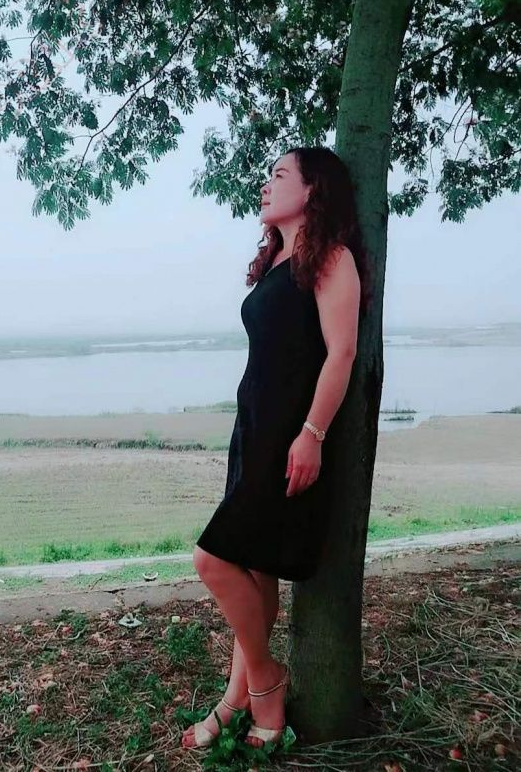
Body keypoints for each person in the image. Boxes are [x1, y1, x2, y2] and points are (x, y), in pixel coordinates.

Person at [181, 146, 370, 751]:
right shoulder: (276, 262)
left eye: (280, 175)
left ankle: (265, 682)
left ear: (313, 190)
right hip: (255, 431)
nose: (266, 185)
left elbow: (341, 353)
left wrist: (312, 434)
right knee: (253, 566)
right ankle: (235, 700)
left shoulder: (332, 258)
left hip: (290, 436)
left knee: (213, 559)